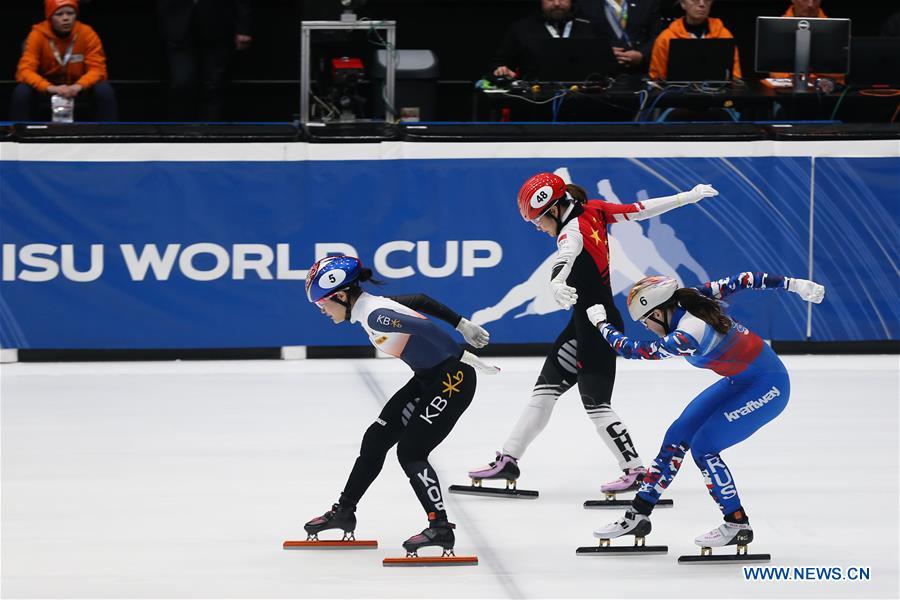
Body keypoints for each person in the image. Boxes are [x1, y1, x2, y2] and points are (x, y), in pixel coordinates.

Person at [468, 172, 720, 497]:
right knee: (544, 392)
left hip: (598, 327)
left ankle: (636, 471)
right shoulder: (595, 209)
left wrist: (558, 282)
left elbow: (566, 254)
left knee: (597, 405)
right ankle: (509, 458)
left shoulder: (570, 231)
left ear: (555, 208)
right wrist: (687, 196)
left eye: (538, 220)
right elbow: (639, 209)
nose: (538, 227)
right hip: (582, 323)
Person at [588, 272, 825, 549]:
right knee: (677, 435)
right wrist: (793, 286)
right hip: (741, 381)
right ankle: (638, 514)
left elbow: (632, 350)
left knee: (704, 446)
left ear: (659, 312)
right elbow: (745, 279)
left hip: (769, 386)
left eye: (645, 321)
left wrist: (602, 324)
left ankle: (737, 523)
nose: (647, 328)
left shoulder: (688, 333)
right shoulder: (693, 298)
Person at [302, 255, 497, 556]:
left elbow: (425, 330)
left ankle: (440, 528)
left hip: (452, 380)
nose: (322, 311)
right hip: (428, 379)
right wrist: (461, 323)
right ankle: (344, 511)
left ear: (341, 295)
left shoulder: (374, 316)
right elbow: (419, 300)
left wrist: (460, 352)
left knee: (411, 452)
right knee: (376, 439)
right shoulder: (372, 307)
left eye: (322, 304)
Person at [11, 0, 118, 122]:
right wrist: (50, 88)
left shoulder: (87, 33)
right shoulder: (37, 35)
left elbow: (98, 69)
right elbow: (25, 71)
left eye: (70, 13)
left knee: (104, 89)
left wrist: (78, 86)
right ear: (50, 17)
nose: (66, 18)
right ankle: (18, 133)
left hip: (79, 87)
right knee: (22, 91)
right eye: (59, 14)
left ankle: (108, 133)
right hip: (46, 89)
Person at [157, 0, 253, 121]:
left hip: (219, 22)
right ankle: (178, 132)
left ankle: (210, 132)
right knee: (182, 84)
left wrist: (243, 27)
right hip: (177, 22)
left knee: (213, 85)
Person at [489, 0, 605, 79]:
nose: (557, 3)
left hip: (585, 98)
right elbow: (500, 62)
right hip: (535, 99)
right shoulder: (522, 28)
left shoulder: (590, 26)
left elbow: (605, 65)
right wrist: (502, 70)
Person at [648, 0, 742, 80]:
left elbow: (735, 77)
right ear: (683, 4)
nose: (702, 4)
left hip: (717, 96)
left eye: (706, 0)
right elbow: (657, 79)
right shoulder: (666, 38)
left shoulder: (724, 35)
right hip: (677, 97)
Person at [769, 1, 845, 85]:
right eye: (805, 0)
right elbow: (776, 72)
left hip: (826, 90)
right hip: (785, 89)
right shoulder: (777, 27)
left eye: (815, 0)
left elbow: (843, 70)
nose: (810, 5)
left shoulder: (837, 29)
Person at [577, 0, 663, 73]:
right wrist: (602, 51)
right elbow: (581, 36)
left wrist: (642, 54)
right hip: (599, 72)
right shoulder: (585, 3)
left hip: (640, 71)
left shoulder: (648, 2)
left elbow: (657, 34)